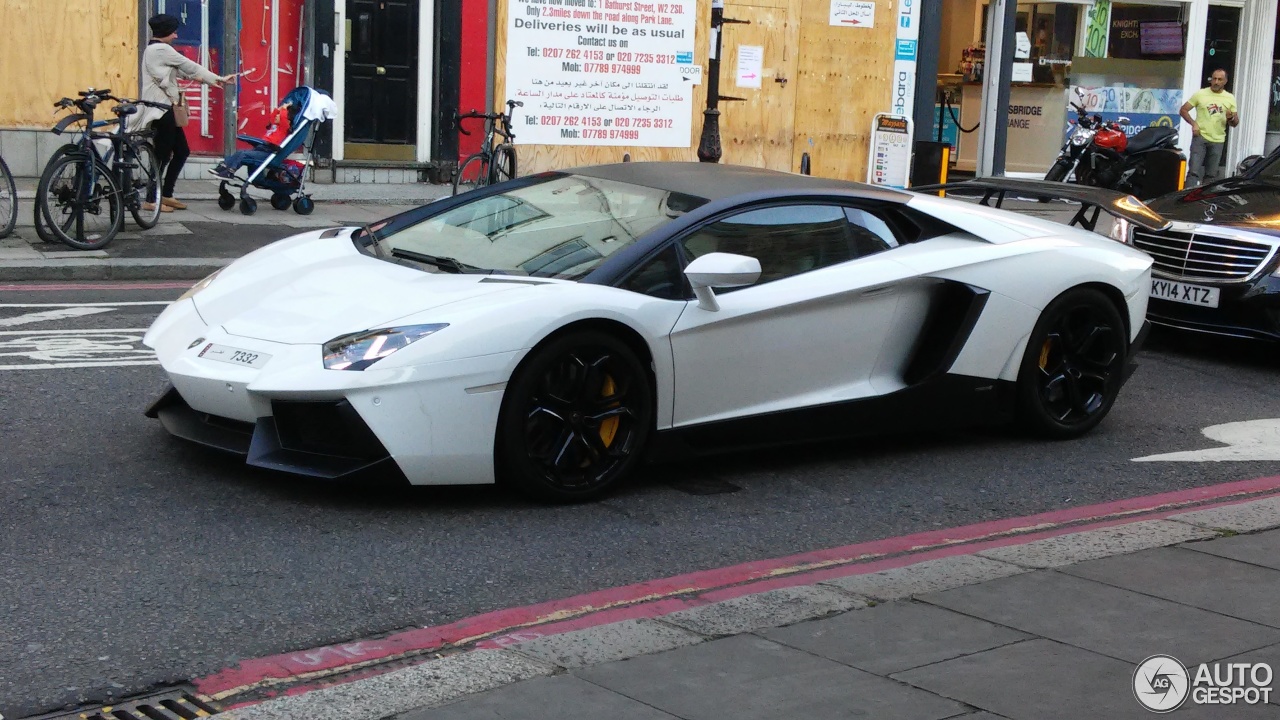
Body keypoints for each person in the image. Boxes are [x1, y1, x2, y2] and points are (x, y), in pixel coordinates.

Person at [136, 14, 233, 212]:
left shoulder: (156, 51)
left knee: (182, 151)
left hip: (166, 109)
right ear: (164, 33)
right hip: (161, 110)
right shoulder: (161, 49)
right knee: (162, 155)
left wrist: (213, 80)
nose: (175, 35)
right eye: (173, 31)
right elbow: (190, 65)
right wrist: (218, 78)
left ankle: (166, 194)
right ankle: (151, 199)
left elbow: (184, 72)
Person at [1180, 68, 1239, 187]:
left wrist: (1230, 118)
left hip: (1218, 139)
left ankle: (1204, 201)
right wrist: (1193, 123)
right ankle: (1187, 201)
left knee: (1211, 175)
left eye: (1219, 79)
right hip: (1200, 137)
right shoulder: (1200, 94)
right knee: (1193, 172)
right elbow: (1183, 110)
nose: (1216, 82)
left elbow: (1235, 123)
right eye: (1214, 79)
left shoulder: (1230, 98)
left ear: (1225, 81)